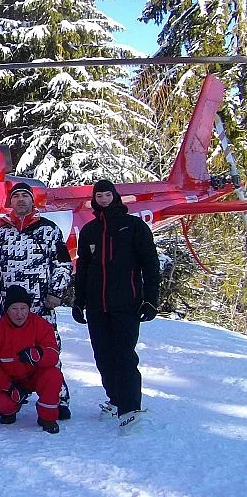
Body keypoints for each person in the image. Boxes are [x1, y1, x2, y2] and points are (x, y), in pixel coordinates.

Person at [0, 181, 73, 418]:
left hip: (41, 303)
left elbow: (62, 264)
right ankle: (10, 394)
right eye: (16, 196)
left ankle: (57, 398)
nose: (21, 200)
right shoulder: (1, 232)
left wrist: (57, 292)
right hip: (10, 307)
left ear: (33, 201)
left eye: (25, 196)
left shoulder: (49, 229)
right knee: (7, 352)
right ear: (10, 202)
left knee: (49, 350)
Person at [72, 179, 160, 431]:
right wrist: (79, 301)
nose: (103, 199)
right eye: (98, 195)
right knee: (103, 356)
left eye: (107, 194)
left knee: (124, 355)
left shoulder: (133, 226)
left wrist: (150, 299)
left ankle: (130, 407)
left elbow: (150, 264)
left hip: (126, 303)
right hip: (97, 305)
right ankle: (115, 399)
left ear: (115, 196)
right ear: (94, 199)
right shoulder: (89, 230)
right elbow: (84, 270)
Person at [0, 285, 64, 434]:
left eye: (23, 308)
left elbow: (53, 355)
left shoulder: (41, 326)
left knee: (53, 376)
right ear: (7, 310)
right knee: (2, 403)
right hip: (11, 379)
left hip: (34, 375)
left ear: (29, 309)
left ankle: (47, 417)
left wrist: (38, 354)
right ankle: (10, 410)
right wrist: (9, 387)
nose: (19, 314)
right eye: (14, 308)